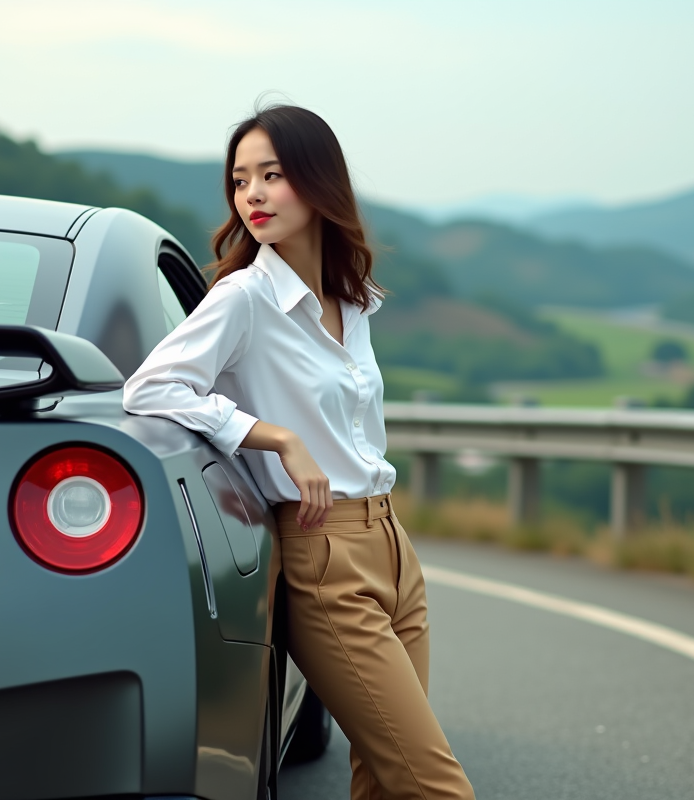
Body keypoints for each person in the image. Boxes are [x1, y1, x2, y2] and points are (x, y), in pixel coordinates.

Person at [122, 104, 474, 800]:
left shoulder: (354, 299)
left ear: (318, 184)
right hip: (325, 558)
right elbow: (151, 387)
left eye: (272, 175)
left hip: (392, 548)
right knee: (435, 784)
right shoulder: (245, 298)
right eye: (240, 179)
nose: (251, 194)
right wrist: (274, 437)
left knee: (382, 776)